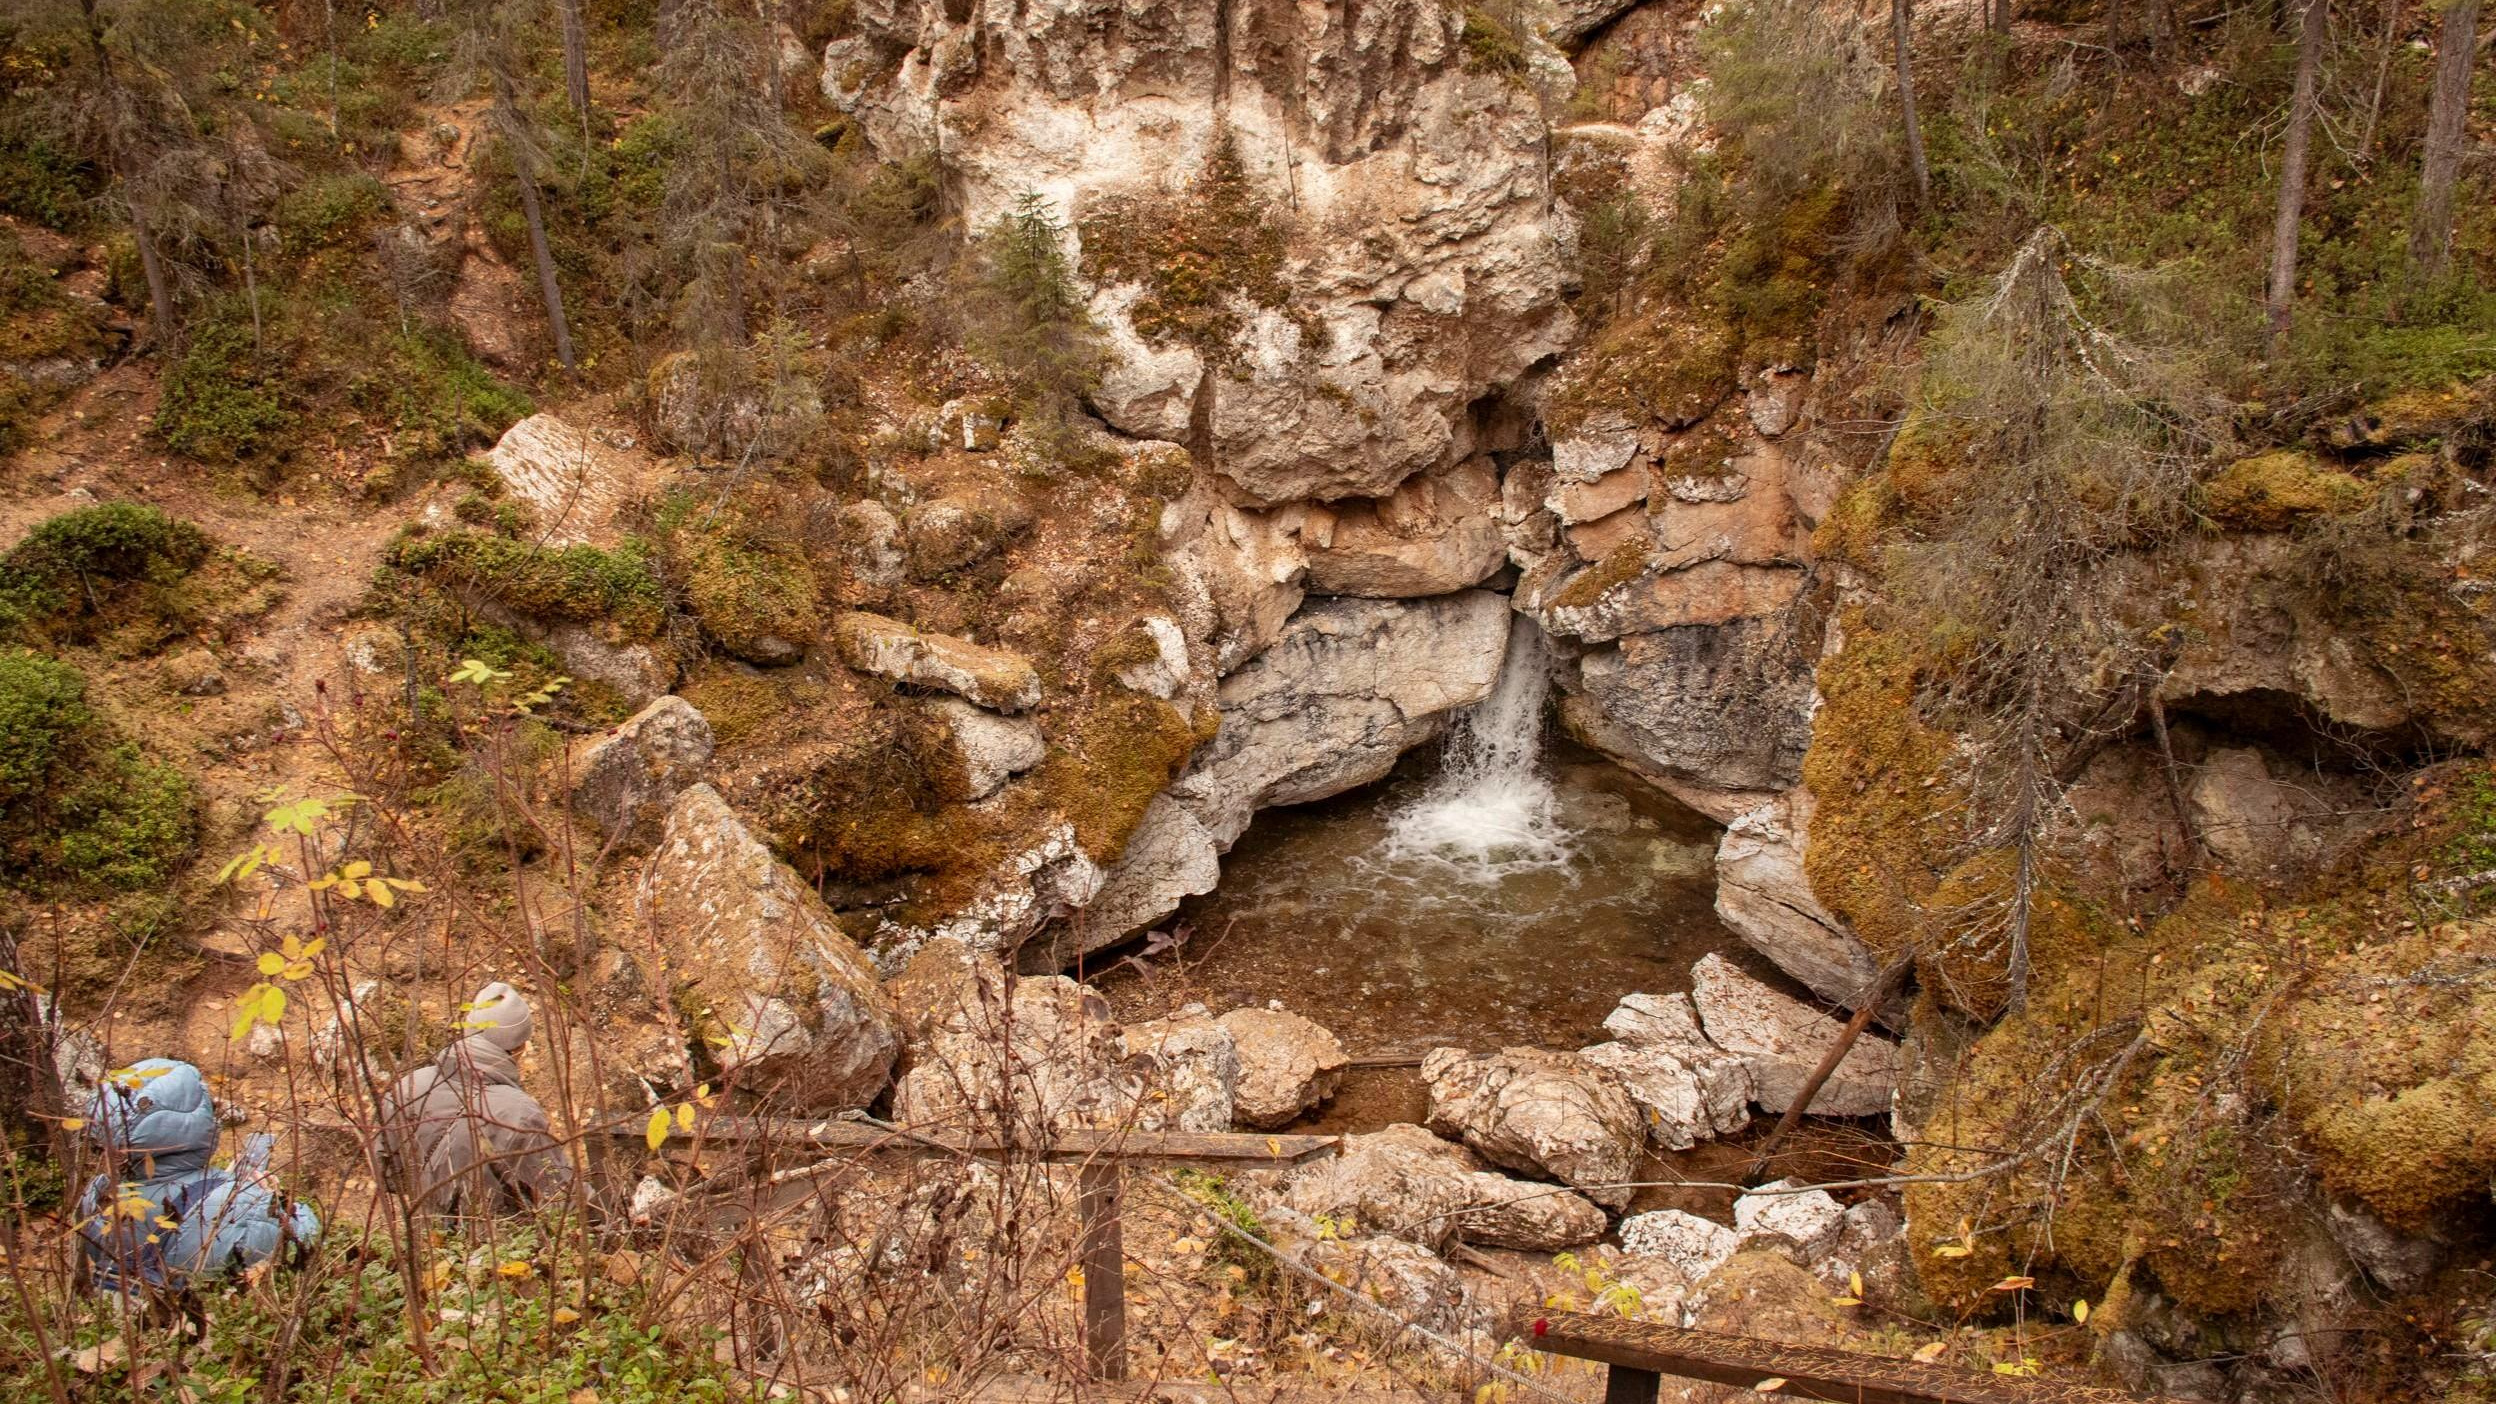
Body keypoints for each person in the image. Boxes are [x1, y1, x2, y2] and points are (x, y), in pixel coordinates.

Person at [76, 1059, 319, 1296]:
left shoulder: (95, 1201)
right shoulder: (239, 1210)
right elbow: (306, 1241)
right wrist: (265, 1199)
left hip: (126, 1329)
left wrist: (217, 1188)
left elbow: (173, 1207)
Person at [380, 982, 571, 1216]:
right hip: (503, 1246)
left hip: (426, 1239)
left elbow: (386, 1171)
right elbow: (563, 1197)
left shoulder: (408, 1087)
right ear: (519, 1046)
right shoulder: (519, 1113)